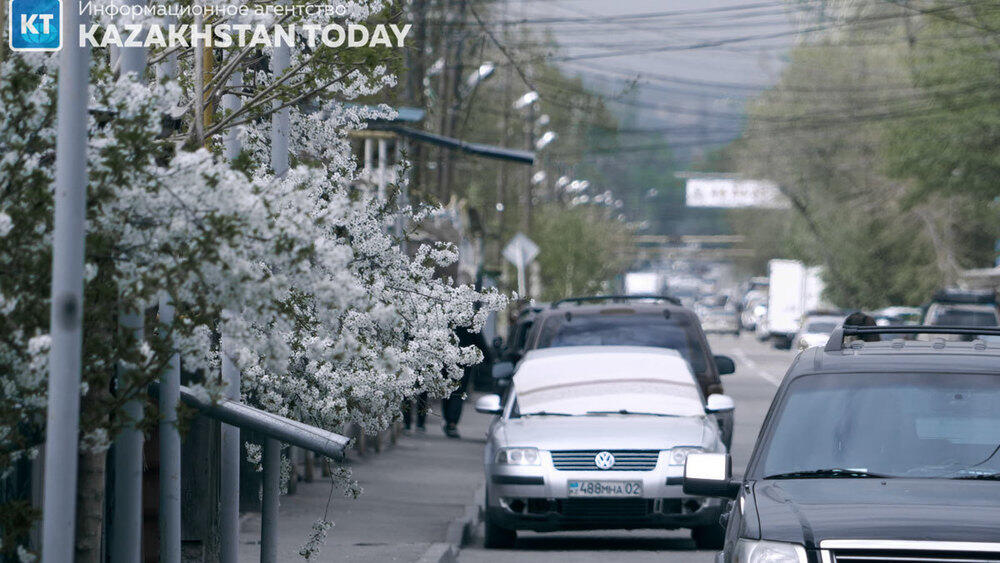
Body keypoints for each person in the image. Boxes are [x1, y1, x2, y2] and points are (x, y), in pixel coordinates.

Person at [442, 327, 492, 439]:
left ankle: (449, 420)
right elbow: (479, 340)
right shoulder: (469, 321)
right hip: (463, 361)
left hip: (449, 360)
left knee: (448, 391)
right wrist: (489, 358)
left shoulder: (450, 318)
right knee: (458, 392)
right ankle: (452, 422)